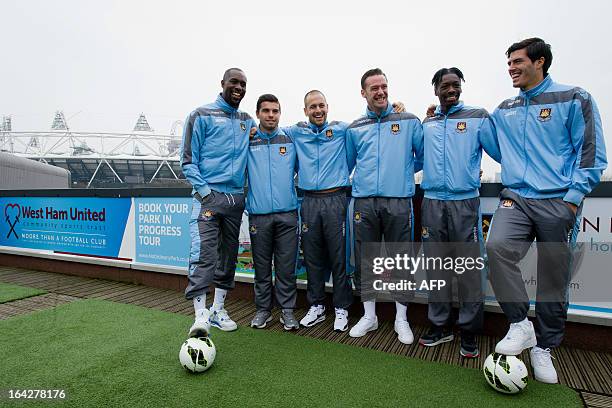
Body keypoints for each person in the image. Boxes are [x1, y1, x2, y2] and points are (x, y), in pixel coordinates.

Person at [486, 38, 607, 383]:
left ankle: (545, 347)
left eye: (518, 61)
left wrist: (572, 199)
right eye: (508, 62)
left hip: (558, 200)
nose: (511, 68)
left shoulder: (575, 98)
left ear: (540, 62)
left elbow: (591, 154)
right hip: (516, 198)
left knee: (554, 279)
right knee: (496, 249)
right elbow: (492, 143)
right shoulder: (504, 108)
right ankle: (520, 326)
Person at [418, 67, 501, 358]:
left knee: (467, 271)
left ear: (461, 87)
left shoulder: (478, 117)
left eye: (456, 85)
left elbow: (501, 152)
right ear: (436, 90)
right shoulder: (426, 123)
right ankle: (439, 327)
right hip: (431, 202)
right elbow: (415, 159)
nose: (451, 90)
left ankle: (469, 331)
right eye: (445, 86)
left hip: (466, 203)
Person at [345, 68, 424, 344]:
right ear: (363, 92)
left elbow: (422, 158)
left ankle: (401, 319)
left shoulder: (409, 120)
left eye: (384, 86)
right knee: (366, 260)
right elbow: (348, 163)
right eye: (374, 88)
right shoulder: (354, 128)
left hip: (399, 202)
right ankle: (370, 316)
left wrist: (400, 172)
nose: (380, 92)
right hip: (364, 202)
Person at [181, 68, 256, 337]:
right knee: (203, 255)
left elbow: (270, 136)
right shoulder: (200, 115)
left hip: (236, 201)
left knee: (229, 256)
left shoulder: (248, 121)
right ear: (222, 83)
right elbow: (187, 160)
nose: (238, 87)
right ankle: (200, 315)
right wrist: (205, 193)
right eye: (234, 82)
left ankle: (217, 310)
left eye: (243, 84)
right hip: (208, 199)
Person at [247, 94, 300, 331]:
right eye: (266, 111)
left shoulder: (290, 139)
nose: (271, 115)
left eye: (275, 111)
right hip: (259, 215)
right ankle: (263, 310)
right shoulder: (246, 140)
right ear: (257, 113)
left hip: (288, 214)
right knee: (261, 267)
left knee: (286, 267)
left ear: (280, 113)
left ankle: (287, 311)